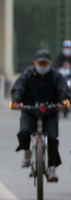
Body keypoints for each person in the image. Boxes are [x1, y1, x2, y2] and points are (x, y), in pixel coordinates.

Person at [11, 50, 69, 182]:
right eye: (40, 63)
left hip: (50, 112)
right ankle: (26, 150)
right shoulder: (28, 74)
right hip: (30, 110)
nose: (42, 66)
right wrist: (16, 101)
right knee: (24, 132)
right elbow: (18, 88)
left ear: (51, 64)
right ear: (34, 63)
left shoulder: (56, 75)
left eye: (45, 63)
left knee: (53, 138)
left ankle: (52, 167)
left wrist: (63, 101)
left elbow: (62, 89)